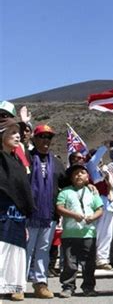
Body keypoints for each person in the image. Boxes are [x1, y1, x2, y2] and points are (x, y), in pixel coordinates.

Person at [27, 124, 66, 299]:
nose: (45, 140)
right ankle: (18, 285)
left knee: (43, 249)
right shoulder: (26, 158)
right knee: (26, 249)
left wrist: (89, 186)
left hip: (49, 214)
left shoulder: (57, 163)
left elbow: (66, 184)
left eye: (48, 137)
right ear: (34, 139)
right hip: (28, 213)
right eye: (42, 136)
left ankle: (40, 283)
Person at [56, 164, 104, 298]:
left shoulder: (92, 192)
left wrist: (93, 217)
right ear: (71, 178)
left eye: (82, 172)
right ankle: (68, 286)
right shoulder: (65, 192)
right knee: (69, 262)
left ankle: (88, 286)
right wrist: (73, 215)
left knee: (88, 263)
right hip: (70, 234)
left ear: (88, 177)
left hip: (89, 233)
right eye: (75, 173)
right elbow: (59, 208)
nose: (79, 175)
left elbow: (99, 209)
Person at [0, 118, 35, 301]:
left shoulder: (17, 161)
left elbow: (23, 191)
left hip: (17, 217)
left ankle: (11, 287)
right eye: (12, 132)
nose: (17, 136)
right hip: (2, 215)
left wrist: (25, 219)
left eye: (18, 132)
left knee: (14, 254)